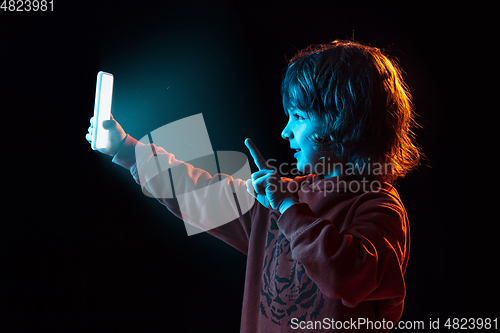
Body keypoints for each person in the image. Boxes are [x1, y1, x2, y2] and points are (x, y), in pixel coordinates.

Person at [86, 40, 422, 332]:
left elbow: (345, 277)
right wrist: (126, 148)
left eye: (300, 117)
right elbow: (199, 193)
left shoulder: (379, 208)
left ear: (345, 122)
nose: (285, 132)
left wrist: (289, 209)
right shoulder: (275, 198)